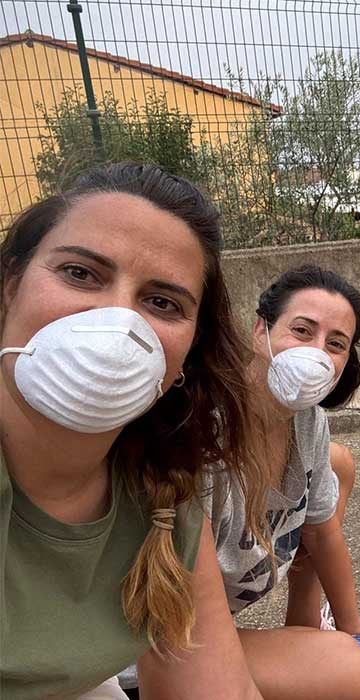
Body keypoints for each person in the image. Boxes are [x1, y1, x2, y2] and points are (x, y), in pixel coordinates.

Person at [0, 163, 262, 699]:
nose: (115, 321)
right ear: (11, 285)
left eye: (162, 302)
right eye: (80, 273)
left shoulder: (166, 494)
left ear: (188, 352)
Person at [206, 264, 360, 700]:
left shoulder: (307, 419)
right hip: (169, 640)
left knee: (336, 465)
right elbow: (184, 611)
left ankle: (304, 622)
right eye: (302, 331)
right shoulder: (205, 442)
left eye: (336, 344)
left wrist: (353, 632)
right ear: (258, 332)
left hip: (215, 619)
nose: (317, 352)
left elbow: (324, 535)